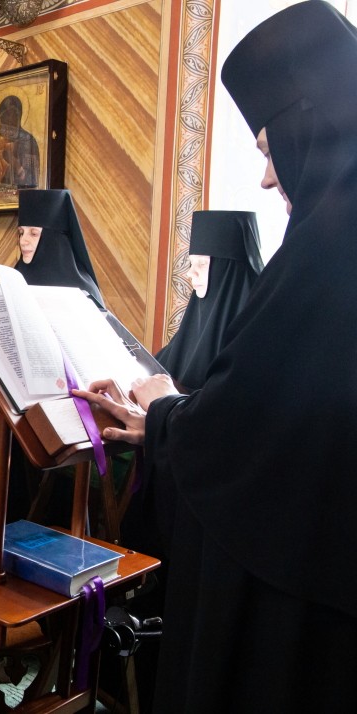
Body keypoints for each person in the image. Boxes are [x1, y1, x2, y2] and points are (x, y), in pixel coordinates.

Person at [75, 3, 357, 710]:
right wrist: (172, 417)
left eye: (267, 149)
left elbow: (258, 442)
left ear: (307, 126)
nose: (265, 178)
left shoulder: (332, 249)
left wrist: (167, 414)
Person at [155, 210, 263, 392]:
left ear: (228, 270)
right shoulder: (194, 323)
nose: (190, 273)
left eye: (202, 264)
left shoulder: (254, 332)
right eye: (191, 263)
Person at [14, 188, 104, 307]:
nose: (22, 241)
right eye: (21, 232)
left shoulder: (82, 290)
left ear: (54, 239)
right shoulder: (14, 280)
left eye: (34, 233)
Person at [0, 95, 40, 188]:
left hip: (22, 193)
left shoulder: (28, 141)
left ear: (19, 117)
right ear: (0, 119)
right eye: (6, 115)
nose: (10, 119)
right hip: (0, 193)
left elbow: (31, 177)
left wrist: (14, 163)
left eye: (14, 114)